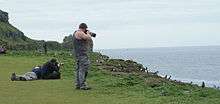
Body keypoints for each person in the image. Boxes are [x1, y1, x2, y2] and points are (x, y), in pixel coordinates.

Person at [73, 23, 94, 90]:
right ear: (84, 28)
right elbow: (88, 37)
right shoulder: (80, 33)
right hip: (82, 54)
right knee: (83, 69)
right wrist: (88, 33)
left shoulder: (76, 33)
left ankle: (78, 84)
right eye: (86, 29)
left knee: (79, 69)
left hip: (78, 54)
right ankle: (83, 85)